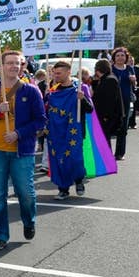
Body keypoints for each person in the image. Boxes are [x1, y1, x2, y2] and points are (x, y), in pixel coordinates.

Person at [0, 51, 46, 251]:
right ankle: (0, 235)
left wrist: (18, 133)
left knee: (26, 193)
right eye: (10, 63)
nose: (14, 66)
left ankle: (29, 221)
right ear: (2, 65)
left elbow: (41, 120)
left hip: (21, 151)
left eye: (18, 63)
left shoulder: (31, 91)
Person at [45, 61, 93, 201]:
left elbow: (90, 110)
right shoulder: (53, 90)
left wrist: (82, 98)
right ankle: (63, 189)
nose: (56, 75)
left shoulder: (79, 88)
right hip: (56, 132)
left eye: (59, 73)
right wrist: (46, 97)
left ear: (68, 72)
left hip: (74, 131)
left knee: (75, 158)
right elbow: (45, 109)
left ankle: (79, 181)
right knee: (59, 159)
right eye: (54, 73)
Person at [91, 59, 125, 153]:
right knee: (103, 140)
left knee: (105, 140)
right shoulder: (105, 79)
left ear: (98, 69)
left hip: (106, 116)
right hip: (103, 115)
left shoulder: (110, 80)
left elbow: (109, 101)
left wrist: (106, 116)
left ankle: (107, 162)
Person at [110, 48, 135, 160]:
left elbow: (135, 84)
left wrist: (134, 80)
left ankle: (120, 153)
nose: (120, 57)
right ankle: (106, 153)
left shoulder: (129, 69)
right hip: (112, 101)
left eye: (122, 55)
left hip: (125, 101)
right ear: (114, 58)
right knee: (109, 126)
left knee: (123, 128)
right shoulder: (110, 69)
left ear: (126, 57)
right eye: (118, 55)